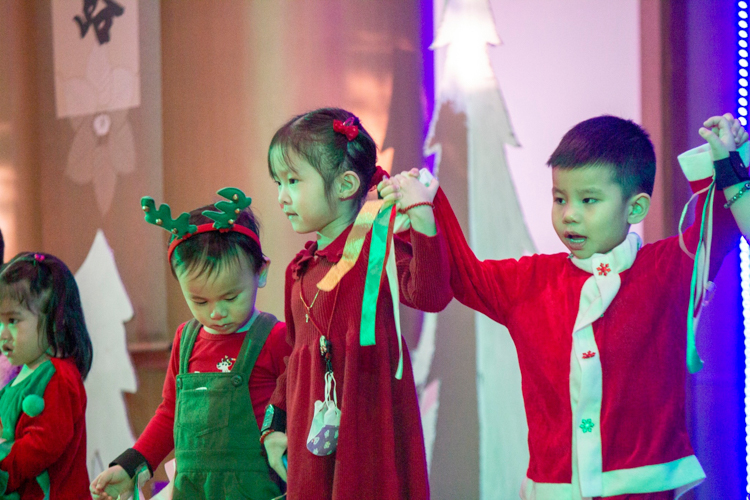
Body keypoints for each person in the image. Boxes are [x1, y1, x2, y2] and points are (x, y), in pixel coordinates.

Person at [380, 114, 747, 499]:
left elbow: (718, 225)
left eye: (588, 200)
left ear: (635, 209)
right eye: (559, 198)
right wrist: (425, 210)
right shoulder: (529, 282)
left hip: (646, 489)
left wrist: (726, 161)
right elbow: (462, 274)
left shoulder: (668, 268)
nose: (569, 213)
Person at [262, 107, 452, 499]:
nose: (282, 196)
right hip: (310, 442)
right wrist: (274, 424)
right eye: (278, 182)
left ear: (347, 184)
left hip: (369, 436)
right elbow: (293, 354)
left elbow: (431, 295)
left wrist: (420, 213)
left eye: (293, 180)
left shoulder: (379, 248)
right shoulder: (300, 270)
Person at [90, 188, 292, 499]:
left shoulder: (275, 338)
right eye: (199, 300)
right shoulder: (186, 339)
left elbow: (300, 407)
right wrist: (131, 464)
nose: (216, 312)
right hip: (191, 491)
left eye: (230, 297)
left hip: (255, 490)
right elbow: (170, 414)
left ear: (260, 272)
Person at [0, 252, 94, 499]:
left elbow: (41, 446)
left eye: (12, 320)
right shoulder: (24, 373)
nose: (3, 333)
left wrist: (3, 471)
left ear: (53, 320)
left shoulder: (58, 377)